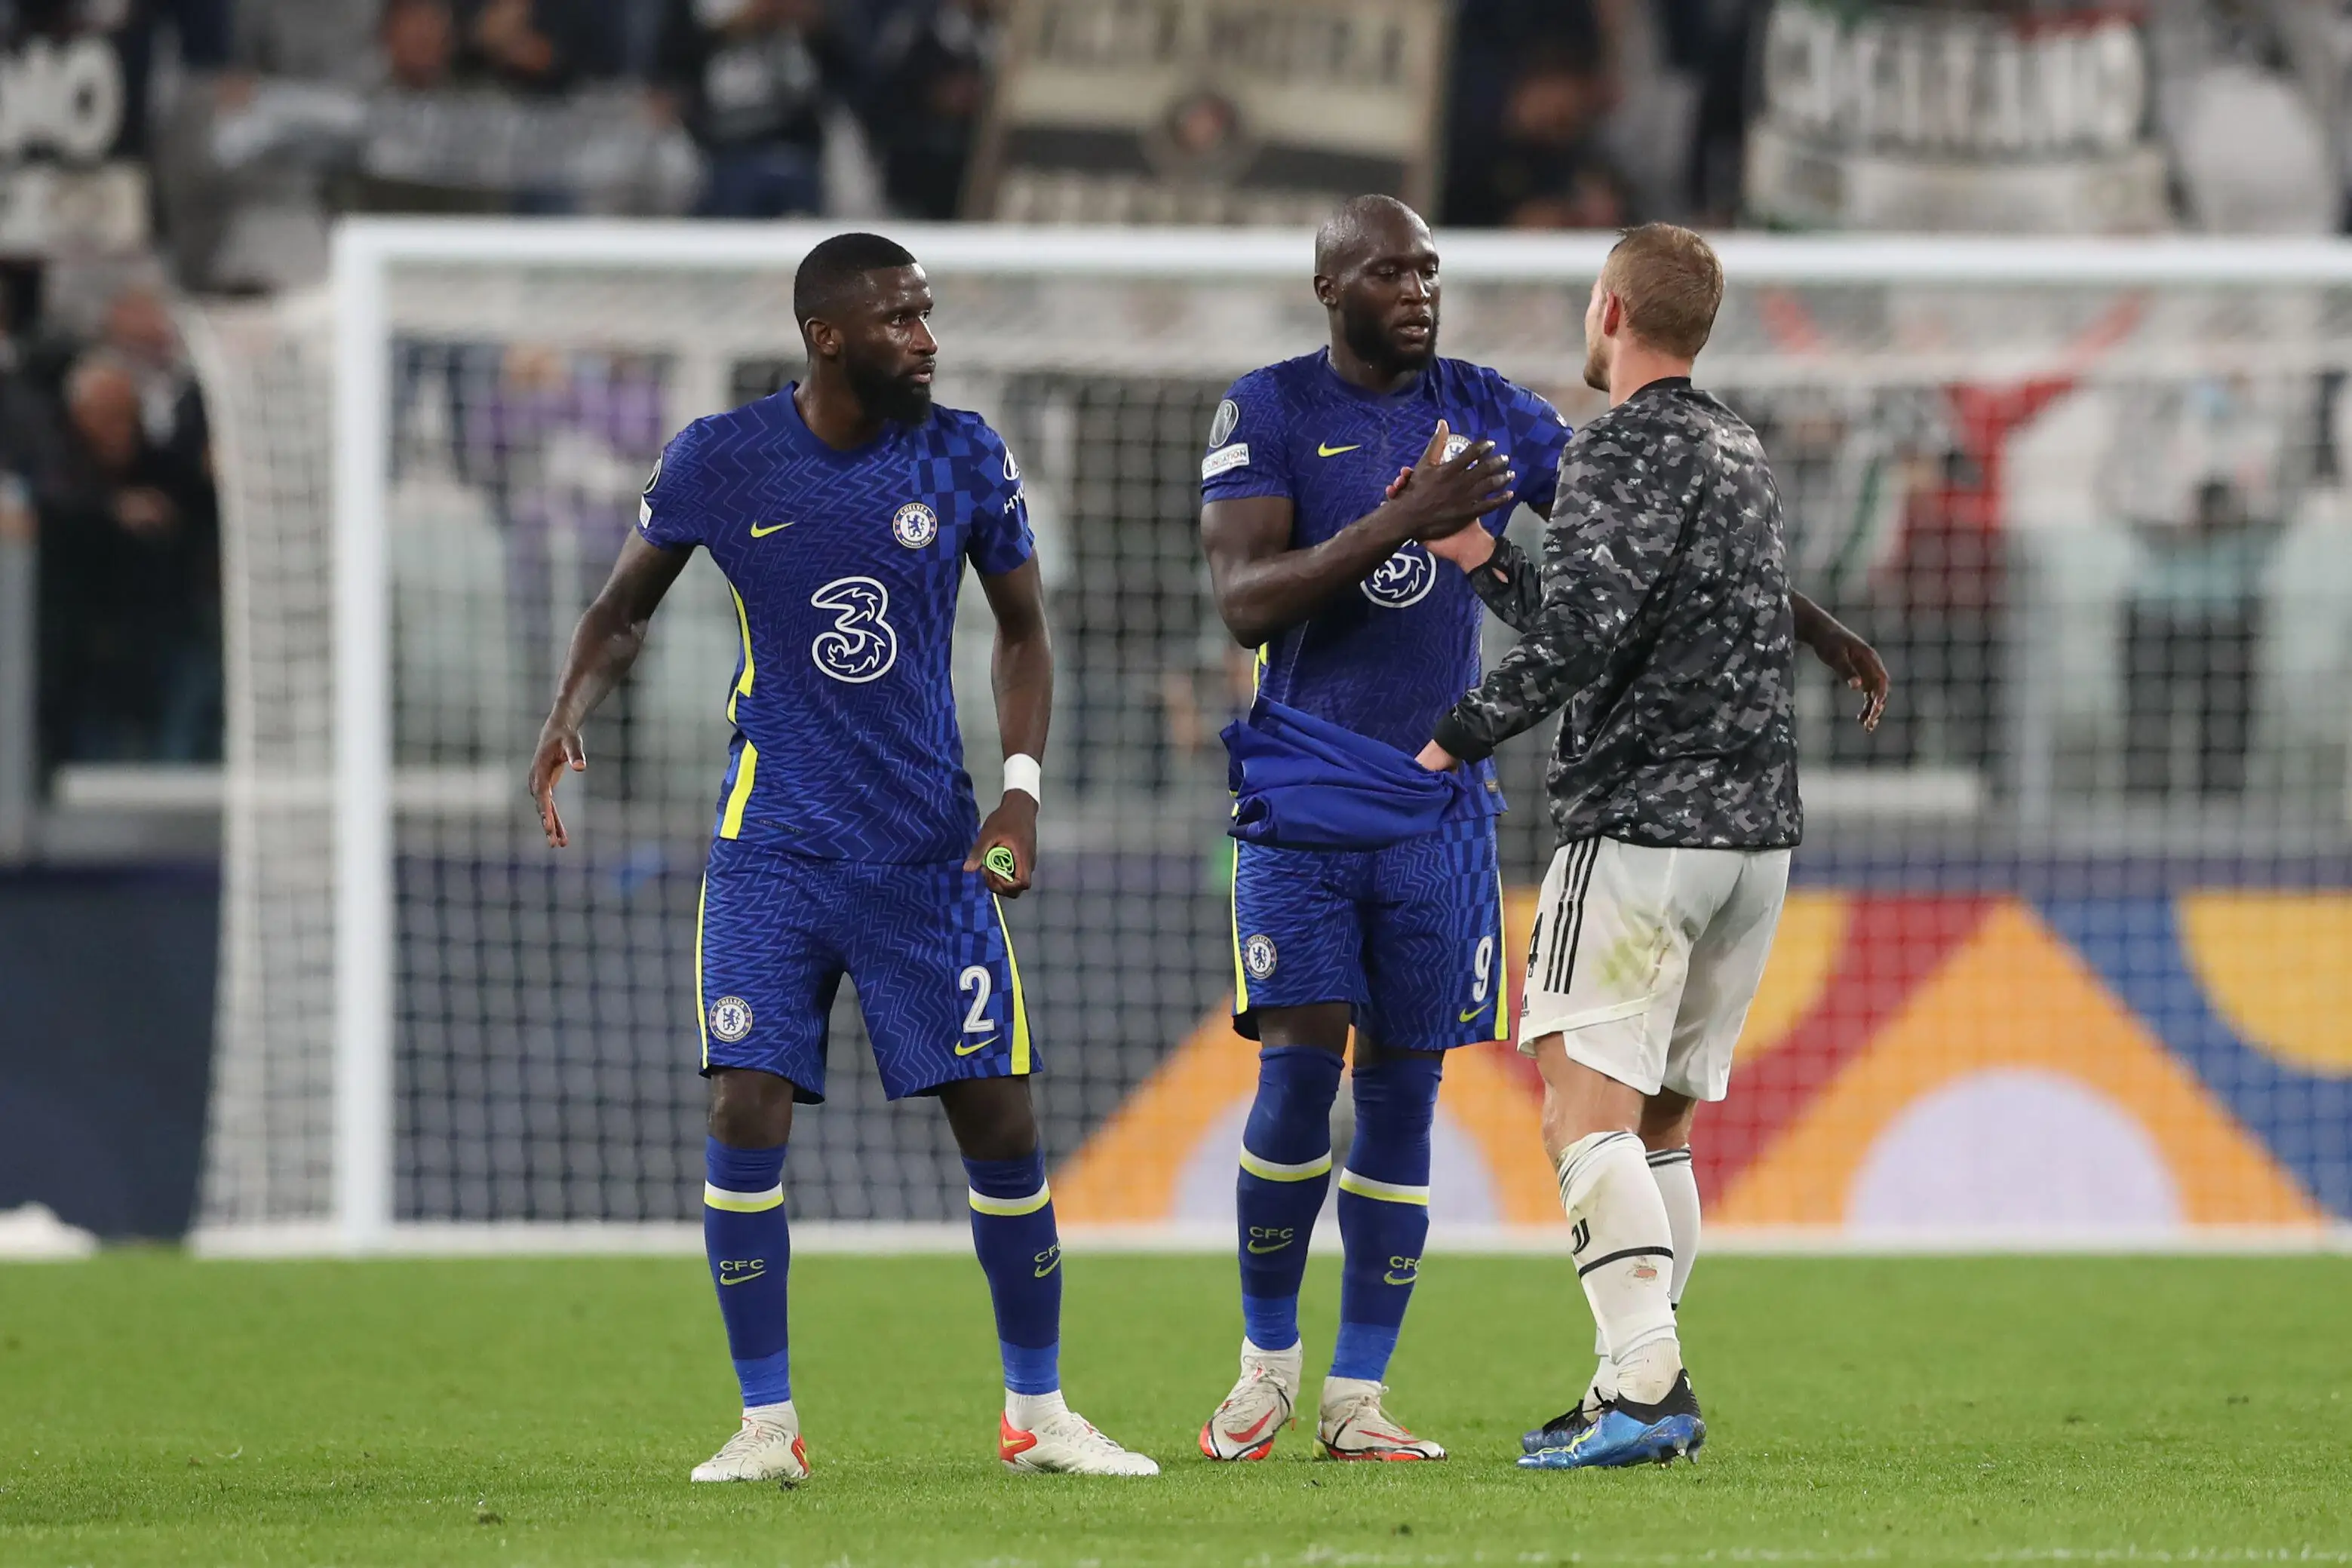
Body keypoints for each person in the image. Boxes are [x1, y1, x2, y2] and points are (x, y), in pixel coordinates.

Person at [1193, 196, 1883, 1464]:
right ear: (1328, 285)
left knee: (1405, 1099)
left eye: (1429, 269)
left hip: (1438, 814)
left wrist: (1809, 622)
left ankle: (1358, 1396)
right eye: (1388, 270)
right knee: (1294, 1087)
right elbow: (1243, 604)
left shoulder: (1494, 406)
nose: (1417, 289)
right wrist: (1404, 522)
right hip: (1304, 793)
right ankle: (1262, 1368)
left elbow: (1638, 549)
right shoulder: (1267, 407)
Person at [527, 232, 1157, 1483]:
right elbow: (622, 607)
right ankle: (766, 1426)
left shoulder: (964, 451)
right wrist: (565, 713)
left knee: (1002, 1118)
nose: (926, 337)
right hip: (774, 845)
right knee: (743, 1100)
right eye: (900, 317)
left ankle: (1037, 1414)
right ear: (828, 335)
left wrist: (1020, 793)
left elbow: (1023, 634)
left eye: (926, 313)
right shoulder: (722, 456)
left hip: (929, 847)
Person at [1412, 222, 1886, 1470]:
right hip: (1754, 842)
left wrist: (1445, 741)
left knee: (1579, 1109)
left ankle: (1644, 1386)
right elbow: (1624, 616)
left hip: (1640, 830)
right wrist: (1482, 561)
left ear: (1609, 310)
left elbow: (1576, 644)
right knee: (1659, 1124)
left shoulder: (1615, 447)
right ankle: (1629, 1374)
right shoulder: (1737, 445)